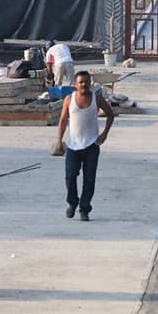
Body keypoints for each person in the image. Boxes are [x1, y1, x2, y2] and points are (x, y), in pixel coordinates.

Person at [56, 71, 114, 221]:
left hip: (92, 145)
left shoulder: (97, 99)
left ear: (90, 83)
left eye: (86, 82)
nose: (84, 85)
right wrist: (59, 141)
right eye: (81, 82)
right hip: (73, 146)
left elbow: (110, 114)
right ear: (75, 84)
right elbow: (63, 120)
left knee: (89, 179)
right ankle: (72, 203)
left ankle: (84, 209)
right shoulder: (69, 99)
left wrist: (104, 134)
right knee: (70, 176)